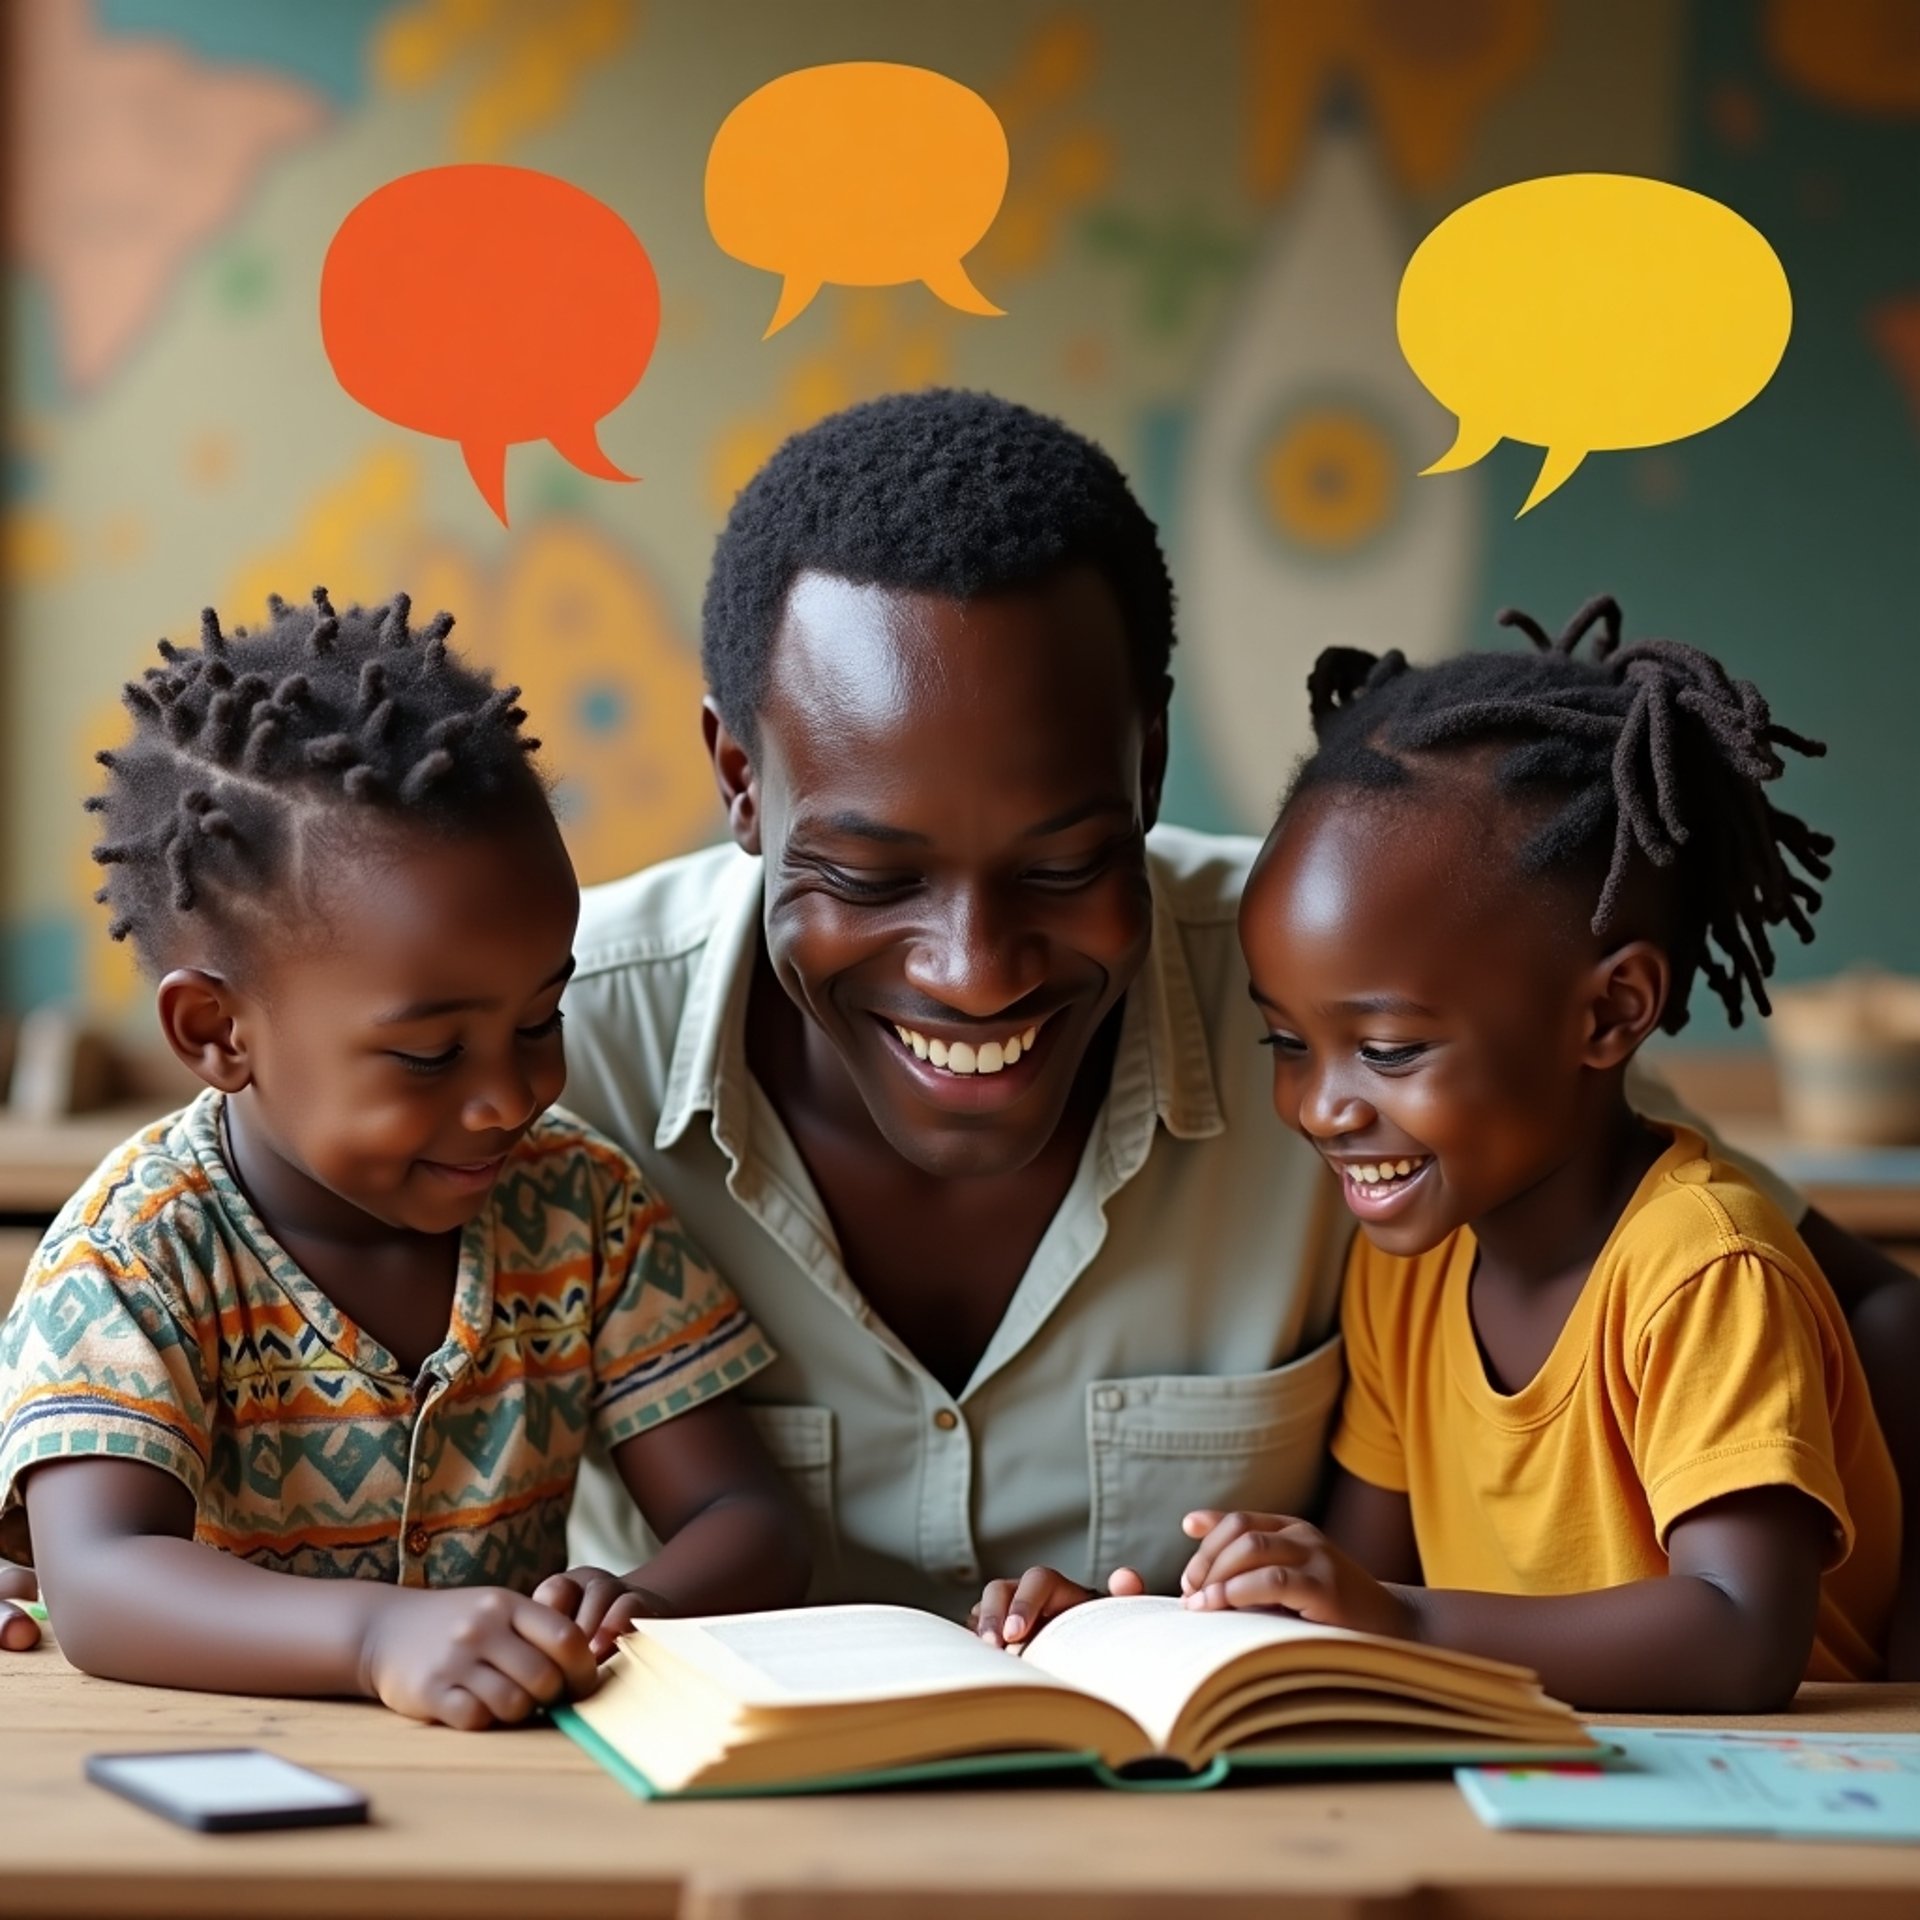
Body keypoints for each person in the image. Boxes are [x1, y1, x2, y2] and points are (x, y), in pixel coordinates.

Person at [535, 389, 1920, 1652]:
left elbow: (1832, 1299)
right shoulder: (547, 1045)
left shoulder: (1359, 990)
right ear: (739, 778)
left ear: (1145, 764)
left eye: (1062, 868)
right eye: (871, 875)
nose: (973, 972)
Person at [977, 604, 1899, 1710]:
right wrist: (1138, 1633)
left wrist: (1396, 1618)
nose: (1321, 1106)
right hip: (1534, 1793)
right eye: (1287, 1041)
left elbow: (1742, 1635)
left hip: (1769, 1822)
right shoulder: (1408, 1274)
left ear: (1610, 1014)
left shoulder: (1704, 1274)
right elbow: (1362, 1586)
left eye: (1389, 1050)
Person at [0, 592, 808, 1722]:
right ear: (217, 1035)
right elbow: (100, 1582)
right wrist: (379, 1634)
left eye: (540, 1020)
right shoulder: (137, 1258)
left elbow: (747, 1517)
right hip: (215, 1780)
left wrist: (633, 1604)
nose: (510, 1097)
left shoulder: (583, 1210)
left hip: (506, 1786)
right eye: (430, 1054)